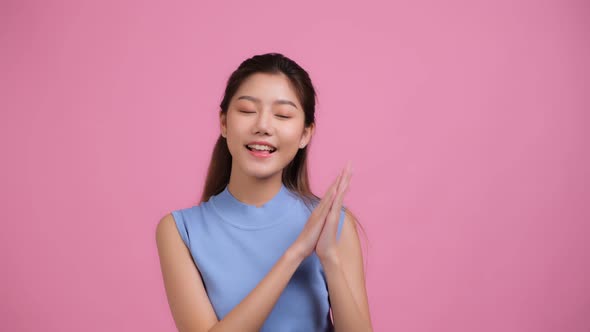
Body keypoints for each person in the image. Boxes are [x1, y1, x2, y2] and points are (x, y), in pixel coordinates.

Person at [156, 53, 372, 332]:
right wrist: (294, 254)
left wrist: (329, 256)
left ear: (305, 134)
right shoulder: (179, 230)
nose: (263, 126)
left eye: (282, 115)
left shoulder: (334, 224)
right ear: (223, 123)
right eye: (247, 111)